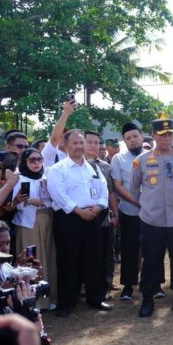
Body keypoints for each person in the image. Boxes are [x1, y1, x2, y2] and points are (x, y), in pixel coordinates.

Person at [130, 119, 173, 318]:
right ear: (154, 135)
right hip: (152, 220)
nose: (166, 138)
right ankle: (147, 300)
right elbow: (134, 188)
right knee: (151, 261)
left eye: (169, 134)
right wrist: (149, 204)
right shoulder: (141, 160)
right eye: (162, 134)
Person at [47, 130, 110, 317]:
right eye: (74, 143)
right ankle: (66, 302)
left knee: (94, 259)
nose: (79, 146)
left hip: (92, 216)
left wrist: (99, 207)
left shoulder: (93, 167)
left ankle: (95, 299)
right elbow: (58, 194)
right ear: (65, 146)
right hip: (69, 219)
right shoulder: (58, 169)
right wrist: (78, 210)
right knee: (68, 260)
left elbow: (103, 189)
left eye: (81, 143)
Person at [11, 148, 57, 308]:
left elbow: (53, 199)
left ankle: (49, 298)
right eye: (32, 160)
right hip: (29, 223)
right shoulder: (21, 179)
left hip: (48, 220)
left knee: (48, 258)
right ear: (25, 162)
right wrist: (31, 201)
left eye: (39, 159)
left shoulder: (45, 177)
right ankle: (33, 300)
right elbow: (19, 205)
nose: (37, 163)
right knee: (32, 260)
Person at [111, 123, 144, 301]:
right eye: (128, 139)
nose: (132, 141)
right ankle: (128, 286)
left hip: (152, 212)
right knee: (129, 248)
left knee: (153, 248)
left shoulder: (152, 155)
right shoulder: (118, 159)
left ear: (141, 136)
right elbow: (118, 185)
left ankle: (152, 284)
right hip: (130, 210)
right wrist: (137, 202)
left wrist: (148, 203)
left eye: (134, 136)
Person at [84, 131, 119, 297]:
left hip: (103, 216)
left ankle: (105, 286)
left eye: (96, 143)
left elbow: (110, 193)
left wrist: (116, 214)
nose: (93, 146)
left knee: (106, 252)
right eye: (89, 142)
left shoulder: (105, 167)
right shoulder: (69, 165)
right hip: (80, 216)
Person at [42, 100, 75, 170]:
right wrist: (66, 113)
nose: (62, 139)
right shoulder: (49, 152)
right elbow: (54, 138)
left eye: (65, 137)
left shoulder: (73, 156)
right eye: (60, 136)